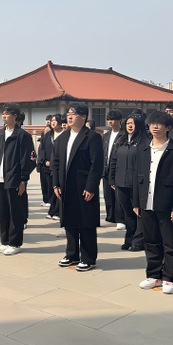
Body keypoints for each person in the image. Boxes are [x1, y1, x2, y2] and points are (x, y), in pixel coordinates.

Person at [134, 110, 173, 295]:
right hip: (146, 203)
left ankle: (169, 277)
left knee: (169, 243)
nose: (155, 127)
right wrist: (136, 202)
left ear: (168, 127)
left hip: (167, 205)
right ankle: (153, 275)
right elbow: (137, 177)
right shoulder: (143, 150)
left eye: (159, 124)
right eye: (152, 123)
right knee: (150, 241)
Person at [52, 103, 104, 272]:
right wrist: (56, 183)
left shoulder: (92, 137)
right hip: (66, 185)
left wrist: (91, 187)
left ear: (83, 117)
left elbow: (96, 164)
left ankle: (88, 258)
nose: (69, 116)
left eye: (73, 113)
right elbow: (56, 163)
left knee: (86, 223)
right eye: (68, 113)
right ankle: (72, 254)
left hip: (83, 186)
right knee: (70, 221)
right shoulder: (62, 137)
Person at [0, 103, 35, 256]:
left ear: (15, 117)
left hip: (15, 179)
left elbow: (29, 159)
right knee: (2, 212)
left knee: (16, 212)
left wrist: (23, 180)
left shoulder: (22, 136)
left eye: (7, 114)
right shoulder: (0, 134)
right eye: (3, 113)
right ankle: (5, 241)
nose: (4, 116)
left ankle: (15, 243)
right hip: (1, 179)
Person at [110, 112, 147, 252]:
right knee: (128, 214)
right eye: (128, 123)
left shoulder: (144, 142)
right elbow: (113, 161)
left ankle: (139, 241)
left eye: (133, 123)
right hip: (121, 183)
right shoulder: (121, 141)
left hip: (137, 184)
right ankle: (129, 239)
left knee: (139, 214)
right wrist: (112, 178)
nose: (130, 126)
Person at [101, 110, 124, 224]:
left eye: (113, 119)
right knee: (108, 195)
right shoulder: (106, 136)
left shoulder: (123, 135)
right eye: (108, 119)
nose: (110, 122)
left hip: (118, 169)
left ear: (119, 120)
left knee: (118, 195)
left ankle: (120, 218)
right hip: (106, 168)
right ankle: (110, 216)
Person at [38, 117, 57, 211]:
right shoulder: (46, 136)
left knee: (53, 184)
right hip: (46, 163)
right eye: (52, 121)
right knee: (45, 183)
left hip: (55, 164)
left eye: (55, 121)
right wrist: (44, 160)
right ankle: (46, 199)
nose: (53, 123)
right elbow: (42, 149)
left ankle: (52, 201)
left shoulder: (62, 136)